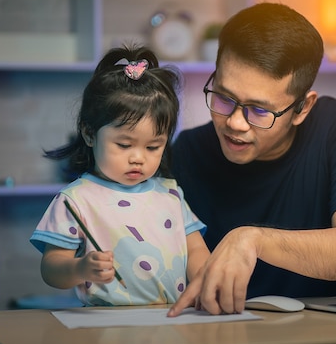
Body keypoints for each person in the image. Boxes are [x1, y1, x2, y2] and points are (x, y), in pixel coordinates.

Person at [167, 2, 336, 317]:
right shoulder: (190, 150)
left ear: (302, 108)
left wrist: (251, 240)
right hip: (229, 333)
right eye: (224, 97)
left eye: (259, 110)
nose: (235, 122)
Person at [30, 46, 210, 307]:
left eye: (153, 147)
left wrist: (205, 280)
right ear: (90, 134)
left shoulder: (170, 194)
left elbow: (195, 251)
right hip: (107, 327)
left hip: (173, 320)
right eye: (124, 145)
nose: (138, 157)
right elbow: (51, 268)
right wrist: (80, 269)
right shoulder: (76, 200)